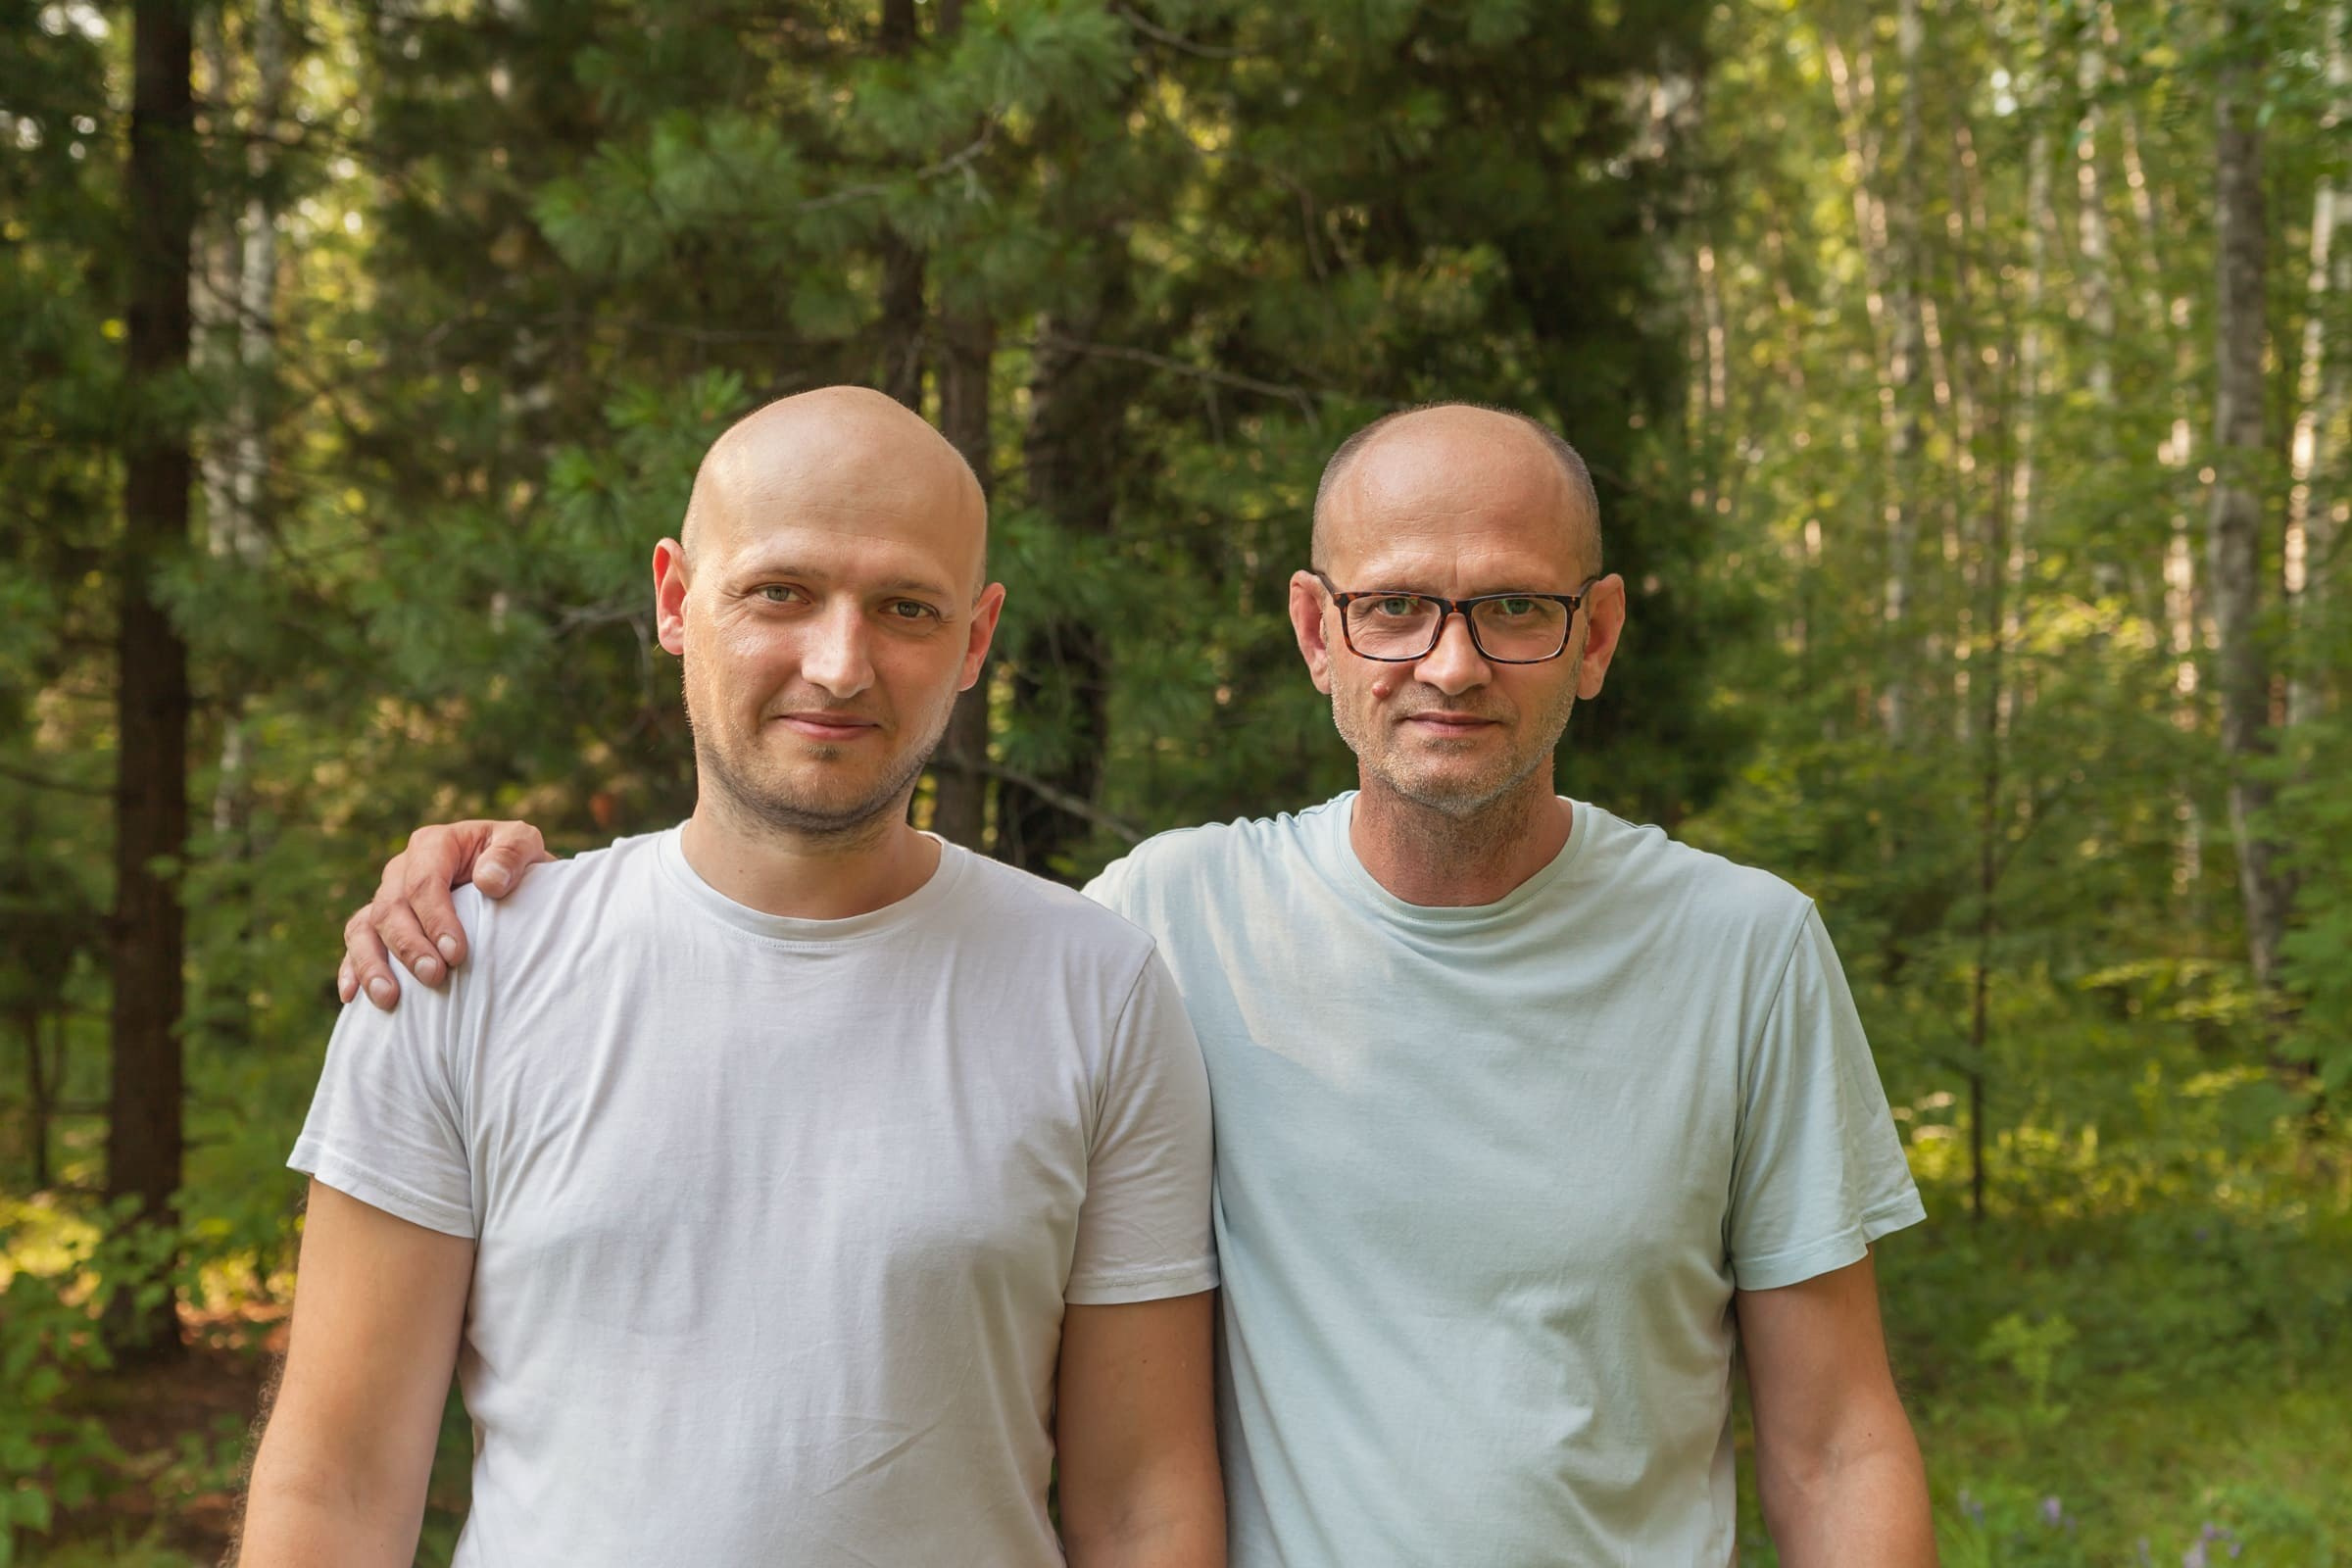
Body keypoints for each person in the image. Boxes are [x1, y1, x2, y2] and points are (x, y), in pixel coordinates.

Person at [344, 403, 1937, 1565]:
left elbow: (1838, 1437)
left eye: (1512, 609)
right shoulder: (1160, 929)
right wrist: (495, 889)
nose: (1449, 662)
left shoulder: (1744, 950)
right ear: (1318, 634)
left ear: (1593, 639)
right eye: (1395, 608)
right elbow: (849, 954)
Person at [245, 387, 1224, 1568]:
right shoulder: (465, 963)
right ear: (675, 598)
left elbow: (1140, 1507)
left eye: (905, 607)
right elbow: (338, 1487)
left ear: (975, 641)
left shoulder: (1099, 991)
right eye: (781, 591)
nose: (840, 661)